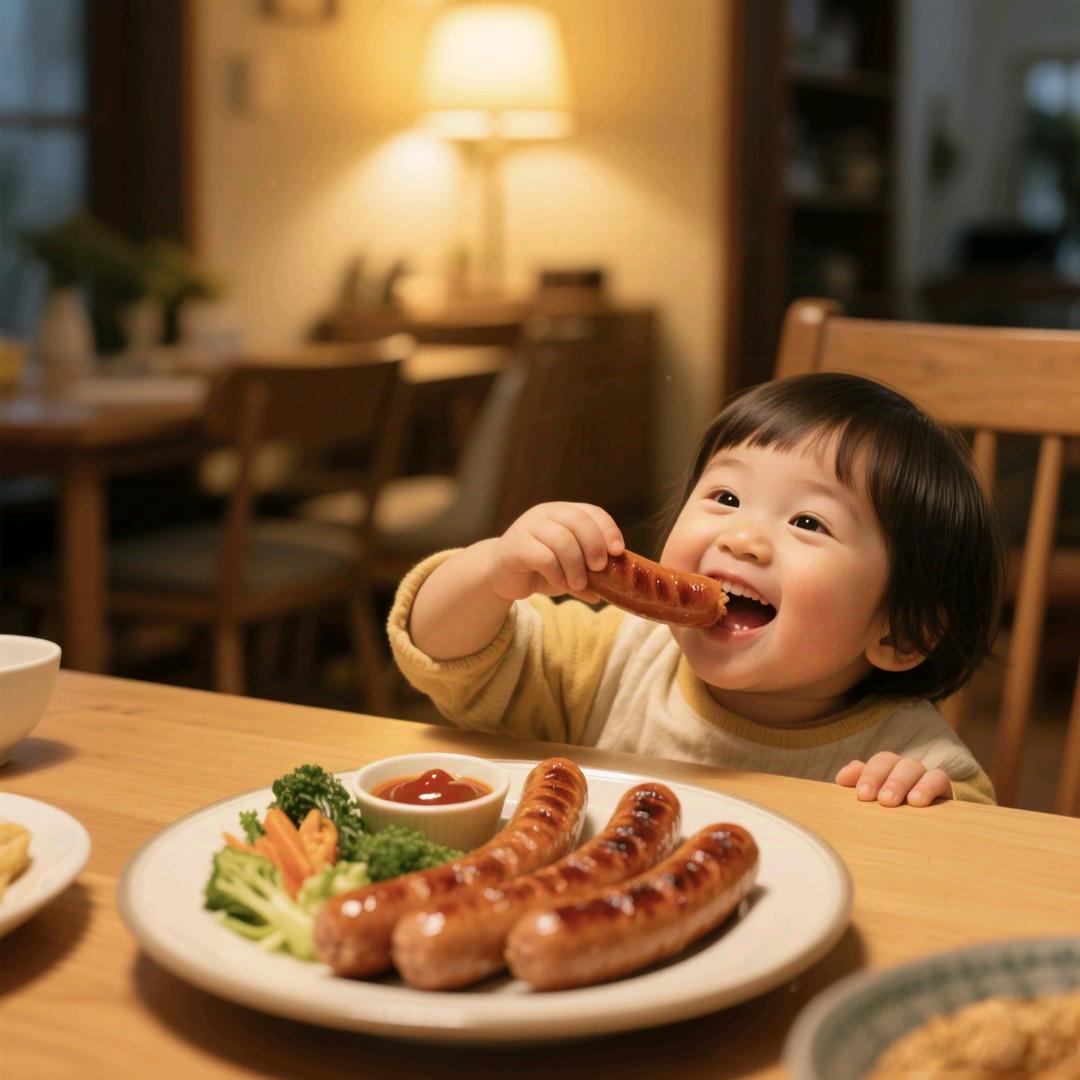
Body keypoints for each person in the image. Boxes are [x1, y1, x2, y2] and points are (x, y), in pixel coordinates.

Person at [388, 372, 1003, 806]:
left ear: (899, 631)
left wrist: (925, 799)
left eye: (808, 522)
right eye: (726, 498)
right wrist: (492, 570)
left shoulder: (905, 750)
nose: (742, 538)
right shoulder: (608, 659)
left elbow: (971, 861)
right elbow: (445, 654)